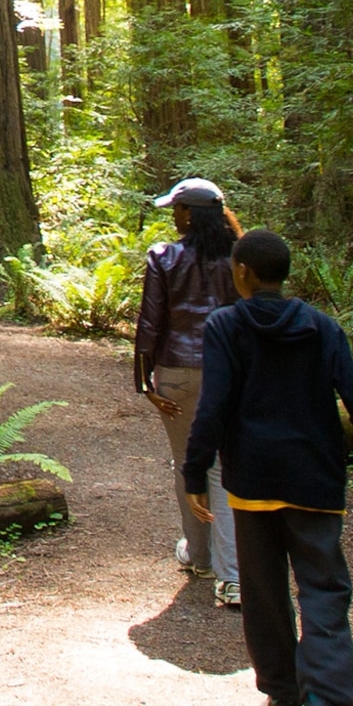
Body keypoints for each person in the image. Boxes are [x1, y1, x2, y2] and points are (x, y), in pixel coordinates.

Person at [184, 226, 353, 706]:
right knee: (324, 590)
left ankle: (284, 704)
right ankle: (326, 703)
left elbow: (213, 406)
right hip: (315, 481)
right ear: (284, 274)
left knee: (263, 592)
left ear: (242, 273)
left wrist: (194, 472)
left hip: (252, 481)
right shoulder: (322, 328)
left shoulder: (226, 327)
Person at [132, 178, 243, 607]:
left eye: (176, 210)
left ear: (191, 214)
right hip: (227, 374)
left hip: (176, 374)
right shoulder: (239, 258)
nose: (172, 217)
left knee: (187, 463)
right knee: (221, 467)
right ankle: (230, 575)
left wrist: (145, 383)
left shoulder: (164, 257)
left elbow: (149, 324)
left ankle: (200, 557)